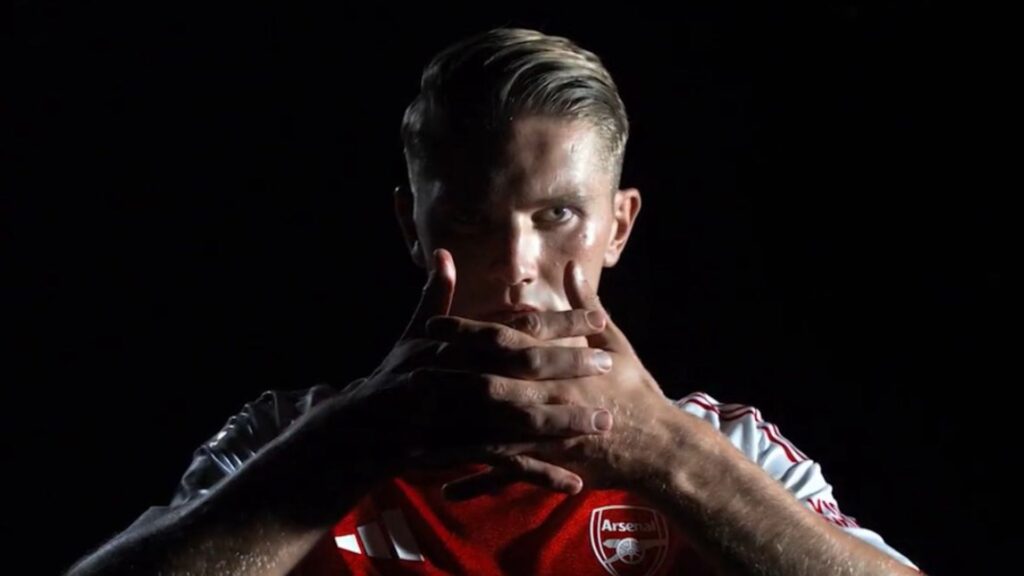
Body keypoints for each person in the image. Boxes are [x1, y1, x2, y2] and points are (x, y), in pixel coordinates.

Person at [67, 28, 920, 575]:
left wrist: (666, 455)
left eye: (557, 216)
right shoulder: (285, 440)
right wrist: (353, 444)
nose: (516, 267)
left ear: (619, 227)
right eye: (470, 220)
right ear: (412, 227)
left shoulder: (727, 447)